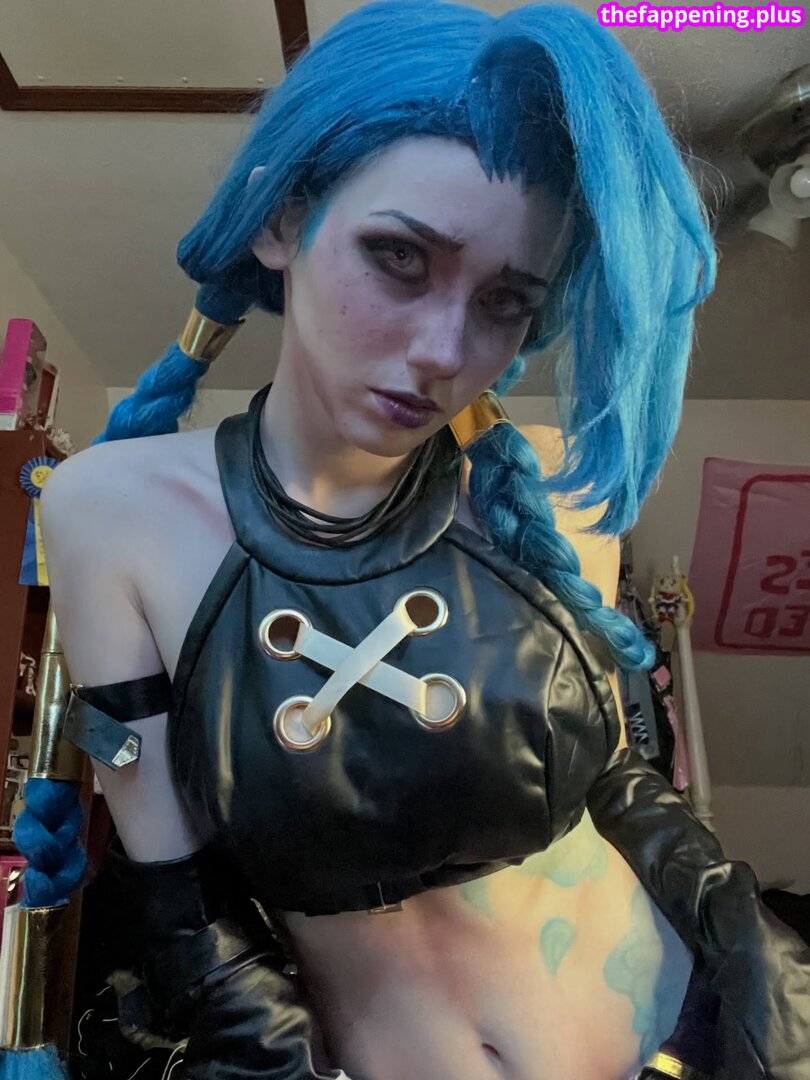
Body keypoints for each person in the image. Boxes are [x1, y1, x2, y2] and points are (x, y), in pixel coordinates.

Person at [30, 2, 808, 1078]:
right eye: (399, 256)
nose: (446, 350)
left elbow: (617, 781)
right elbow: (184, 902)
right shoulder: (107, 512)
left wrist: (744, 937)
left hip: (691, 1037)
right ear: (284, 219)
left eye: (505, 301)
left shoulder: (556, 494)